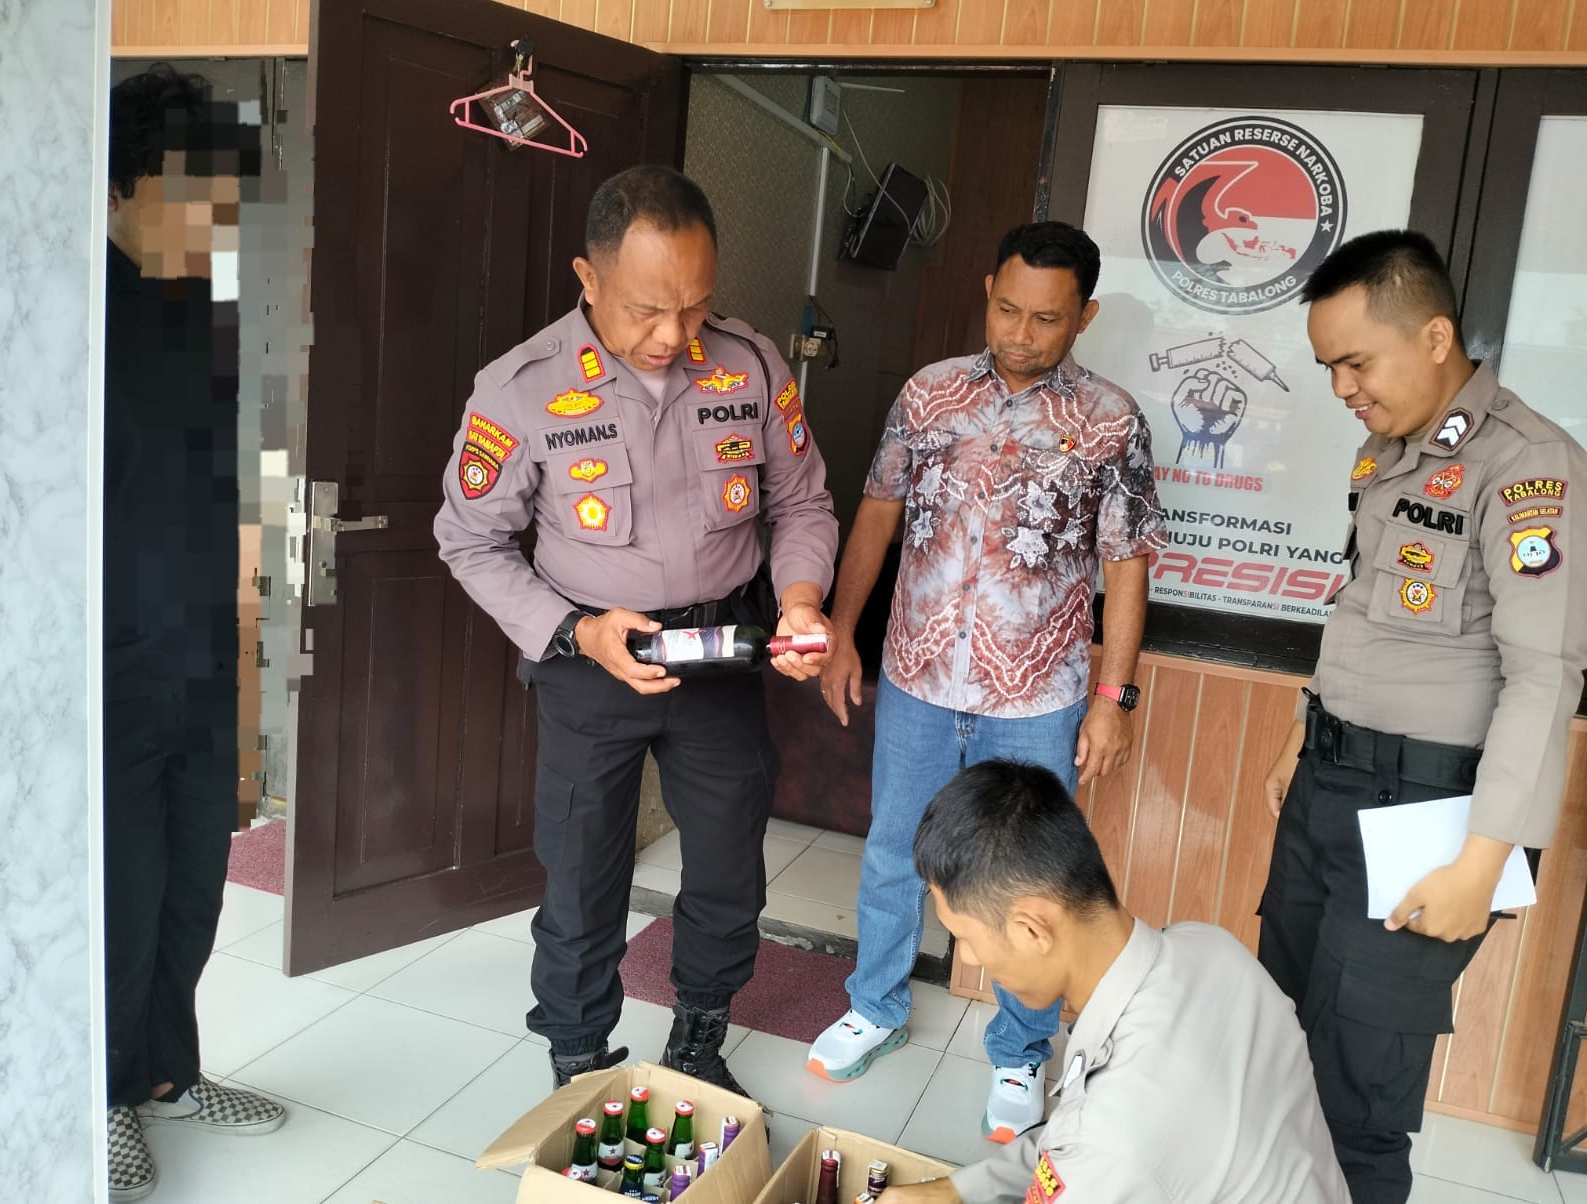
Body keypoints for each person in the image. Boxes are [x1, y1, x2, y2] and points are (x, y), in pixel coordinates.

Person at [433, 165, 839, 1096]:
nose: (673, 335)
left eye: (695, 306)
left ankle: (698, 1039)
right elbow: (469, 539)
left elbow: (802, 501)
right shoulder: (521, 388)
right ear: (589, 277)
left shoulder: (750, 363)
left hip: (721, 651)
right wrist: (574, 632)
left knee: (729, 867)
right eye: (648, 310)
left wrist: (801, 599)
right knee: (582, 873)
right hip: (589, 662)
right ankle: (579, 1059)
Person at [806, 221, 1168, 1142]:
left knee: (1033, 879)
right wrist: (842, 632)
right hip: (921, 677)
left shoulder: (1113, 421)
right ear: (986, 291)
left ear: (1084, 316)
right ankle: (876, 1006)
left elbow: (1127, 564)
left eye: (1046, 319)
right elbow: (877, 513)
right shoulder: (928, 394)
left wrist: (1113, 698)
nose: (1020, 333)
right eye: (1007, 309)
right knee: (894, 848)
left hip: (1038, 697)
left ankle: (1020, 1050)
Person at [1259, 229, 1587, 1204]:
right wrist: (1300, 732)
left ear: (1435, 336)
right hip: (1326, 786)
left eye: (1356, 363)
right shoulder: (1390, 450)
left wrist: (1482, 865)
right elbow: (1361, 610)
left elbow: (1545, 679)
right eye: (1329, 367)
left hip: (1429, 817)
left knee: (1357, 1095)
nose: (1341, 387)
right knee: (1280, 1045)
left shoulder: (1529, 466)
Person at [880, 760, 1350, 1204]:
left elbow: (1096, 1149)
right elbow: (1072, 1146)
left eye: (965, 936)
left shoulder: (1112, 1141)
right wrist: (953, 1190)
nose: (968, 956)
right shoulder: (1211, 947)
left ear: (1032, 930)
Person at [103, 64, 285, 1201]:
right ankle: (102, 1093)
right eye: (197, 196)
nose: (215, 223)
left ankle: (170, 1072)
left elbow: (228, 491)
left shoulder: (204, 317)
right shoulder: (67, 319)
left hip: (203, 652)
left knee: (192, 885)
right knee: (120, 895)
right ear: (124, 185)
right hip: (108, 664)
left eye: (227, 202)